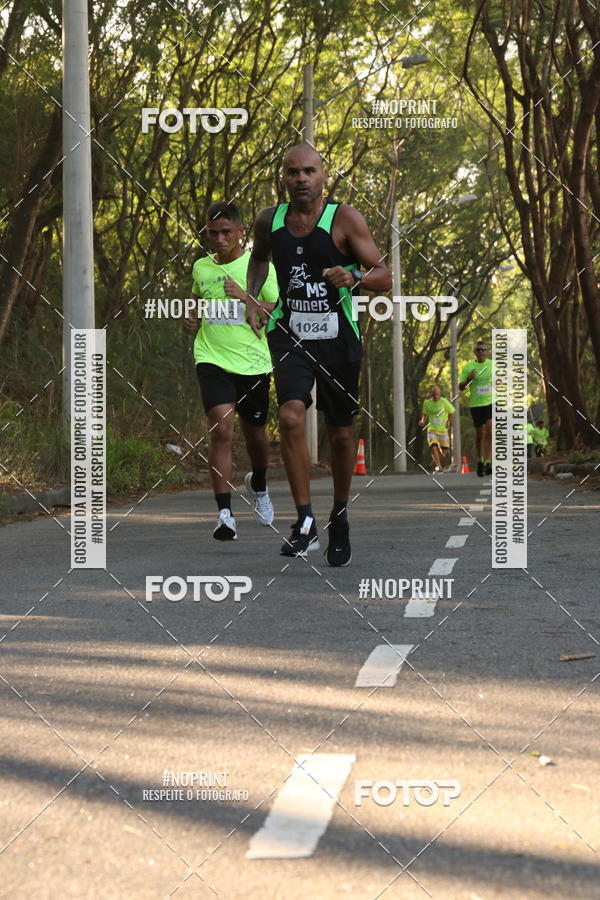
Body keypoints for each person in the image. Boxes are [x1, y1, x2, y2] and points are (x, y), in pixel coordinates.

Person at [244, 143, 391, 565]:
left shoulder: (344, 219)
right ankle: (305, 521)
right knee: (290, 416)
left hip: (338, 339)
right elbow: (258, 260)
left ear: (323, 175)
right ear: (283, 177)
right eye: (293, 172)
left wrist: (355, 275)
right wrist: (254, 300)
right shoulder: (268, 220)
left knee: (341, 433)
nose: (301, 179)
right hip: (290, 334)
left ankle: (339, 514)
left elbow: (385, 276)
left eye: (309, 171)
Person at [184, 201, 279, 540]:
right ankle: (225, 514)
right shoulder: (201, 267)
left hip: (253, 361)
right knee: (222, 430)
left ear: (241, 232)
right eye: (213, 233)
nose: (220, 238)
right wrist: (191, 314)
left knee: (255, 435)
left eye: (227, 232)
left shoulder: (259, 267)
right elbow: (196, 295)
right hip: (211, 357)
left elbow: (278, 309)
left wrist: (244, 296)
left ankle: (261, 486)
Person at [459, 340, 493, 476]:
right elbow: (461, 387)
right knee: (479, 435)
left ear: (487, 351)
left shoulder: (493, 365)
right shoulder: (469, 367)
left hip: (491, 402)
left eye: (483, 349)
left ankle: (489, 462)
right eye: (478, 350)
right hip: (476, 404)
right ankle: (480, 461)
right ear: (475, 352)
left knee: (490, 431)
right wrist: (469, 379)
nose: (481, 352)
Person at [419, 385, 455, 472]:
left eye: (437, 394)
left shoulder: (444, 402)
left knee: (445, 452)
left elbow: (452, 412)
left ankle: (442, 450)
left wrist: (448, 422)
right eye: (434, 394)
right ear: (431, 394)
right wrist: (423, 421)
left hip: (443, 430)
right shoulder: (427, 403)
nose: (435, 396)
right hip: (432, 429)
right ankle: (439, 466)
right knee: (433, 446)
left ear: (440, 394)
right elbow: (425, 414)